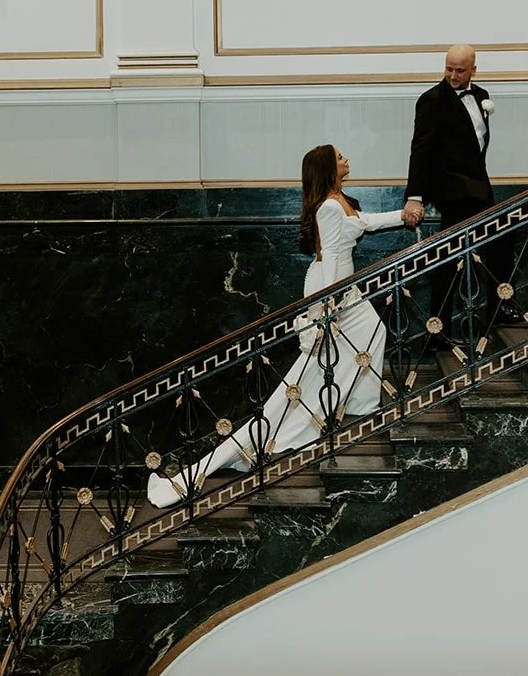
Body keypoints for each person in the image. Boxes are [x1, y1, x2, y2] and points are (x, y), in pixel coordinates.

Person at [147, 144, 407, 509]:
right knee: (308, 375)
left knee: (371, 333)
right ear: (329, 168)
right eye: (340, 157)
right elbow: (330, 257)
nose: (347, 159)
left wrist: (404, 215)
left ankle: (356, 405)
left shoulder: (339, 200)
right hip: (332, 289)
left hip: (345, 290)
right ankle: (317, 420)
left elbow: (366, 224)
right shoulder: (330, 207)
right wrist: (327, 306)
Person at [403, 43, 501, 331]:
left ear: (473, 69)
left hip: (479, 187)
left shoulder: (481, 95)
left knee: (500, 241)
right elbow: (420, 149)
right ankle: (440, 327)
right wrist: (415, 197)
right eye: (449, 69)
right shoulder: (431, 100)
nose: (453, 76)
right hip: (452, 190)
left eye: (460, 70)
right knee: (448, 257)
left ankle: (497, 309)